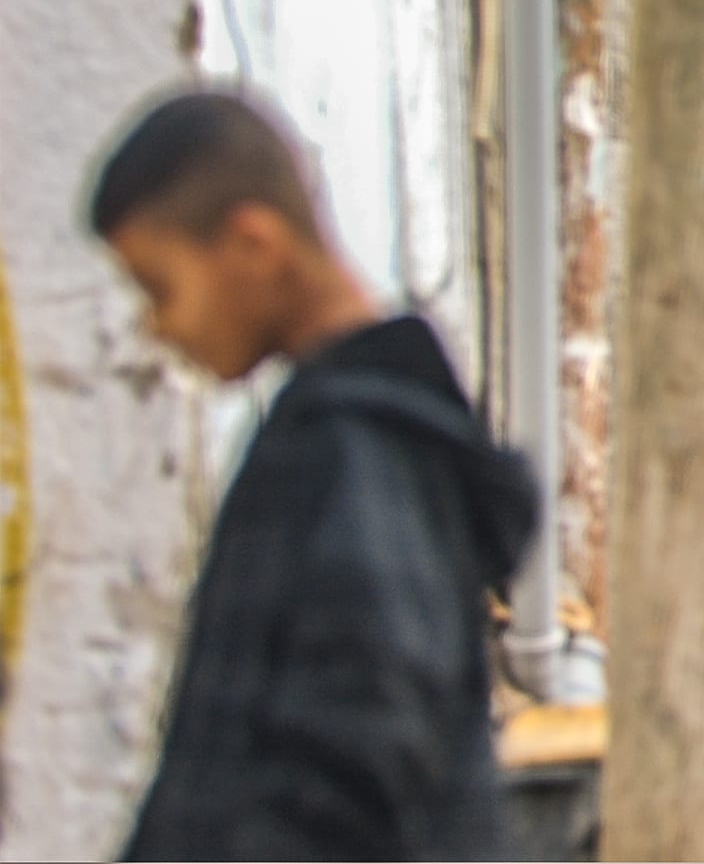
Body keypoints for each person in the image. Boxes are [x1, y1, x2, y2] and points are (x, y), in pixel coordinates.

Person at [90, 89, 535, 861]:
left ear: (253, 244)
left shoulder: (351, 453)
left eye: (160, 289)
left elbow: (353, 763)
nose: (157, 328)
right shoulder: (360, 438)